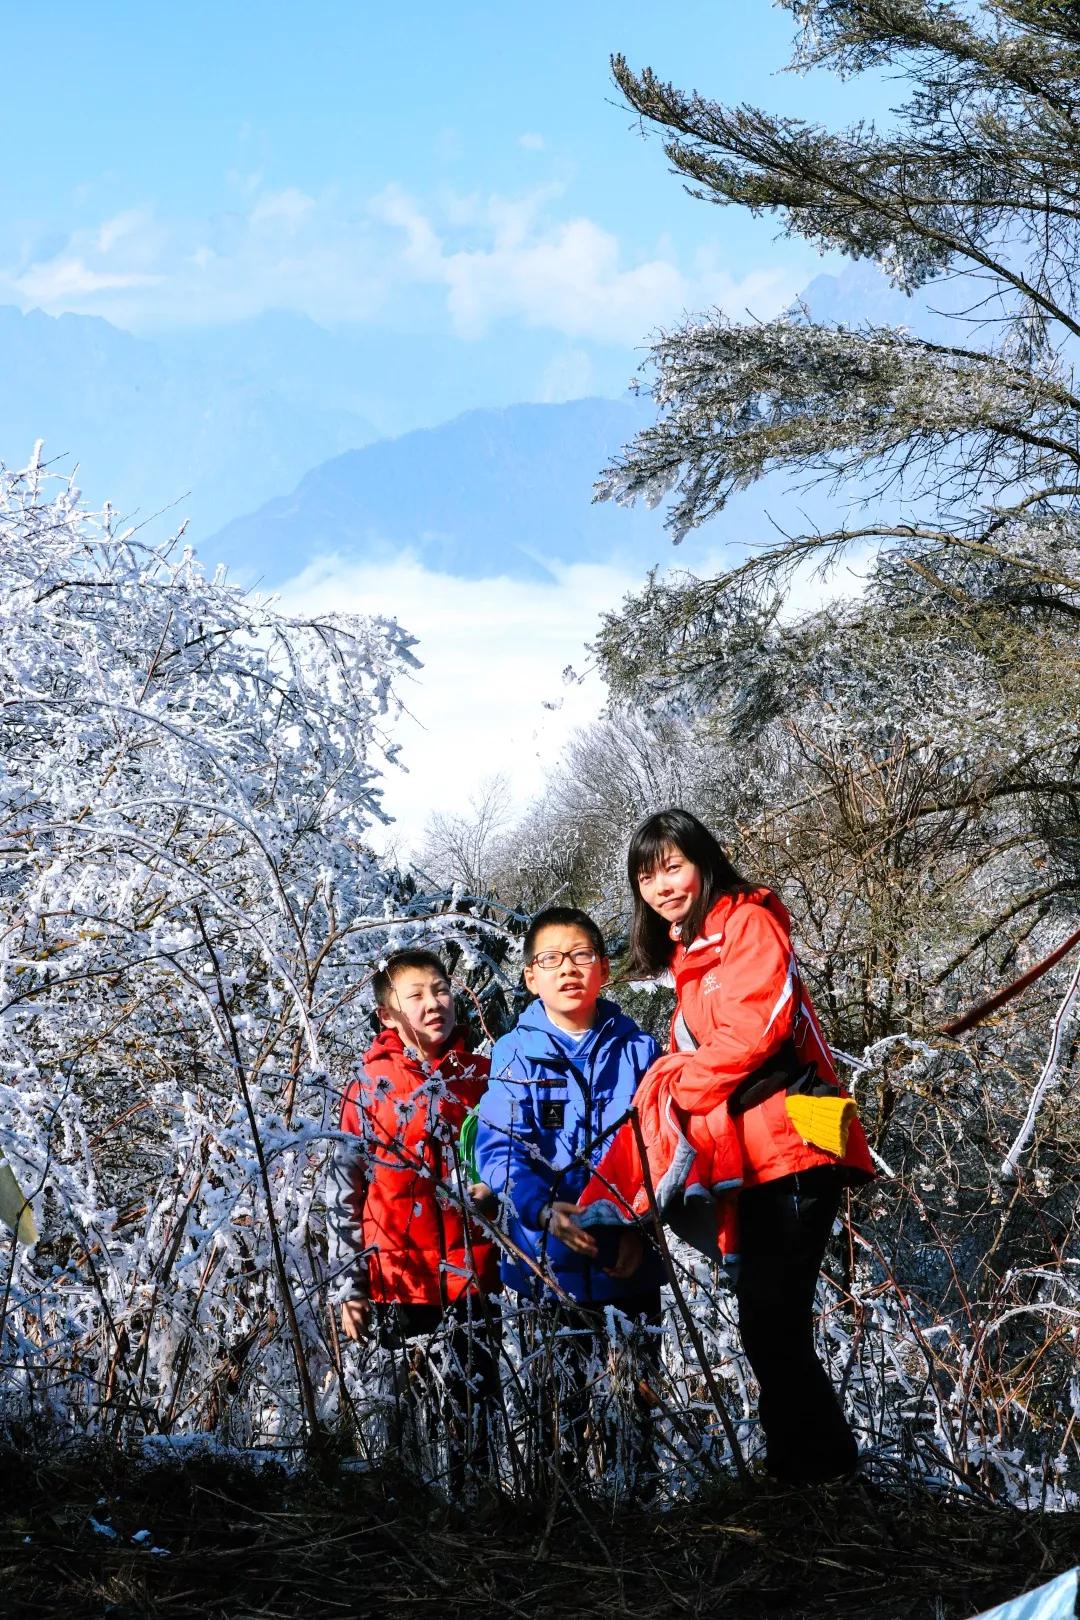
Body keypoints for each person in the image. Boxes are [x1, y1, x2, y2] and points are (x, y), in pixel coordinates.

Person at [587, 808, 874, 1486]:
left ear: (704, 862)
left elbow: (757, 1031)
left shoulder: (747, 919)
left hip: (798, 1146)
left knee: (774, 1320)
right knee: (764, 1325)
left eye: (673, 866)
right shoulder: (692, 952)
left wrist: (675, 1083)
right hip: (754, 1159)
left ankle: (823, 1480)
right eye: (646, 876)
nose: (661, 886)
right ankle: (801, 1482)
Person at [473, 906, 662, 1484]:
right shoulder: (515, 1053)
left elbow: (661, 1145)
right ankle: (565, 1535)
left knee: (636, 1410)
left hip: (630, 1261)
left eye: (581, 955)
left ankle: (640, 1517)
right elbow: (499, 1149)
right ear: (531, 976)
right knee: (557, 1416)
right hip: (545, 1267)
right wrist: (541, 1208)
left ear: (604, 967)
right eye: (550, 960)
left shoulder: (641, 1052)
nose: (568, 969)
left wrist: (641, 1226)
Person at [327, 948, 501, 1485]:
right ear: (388, 1015)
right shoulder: (370, 1086)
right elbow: (345, 1189)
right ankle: (413, 1524)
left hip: (474, 1274)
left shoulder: (483, 1075)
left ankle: (481, 1516)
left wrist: (496, 1191)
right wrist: (349, 1287)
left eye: (442, 989)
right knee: (409, 1421)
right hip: (399, 1282)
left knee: (476, 1414)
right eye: (417, 995)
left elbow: (511, 1160)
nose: (434, 1003)